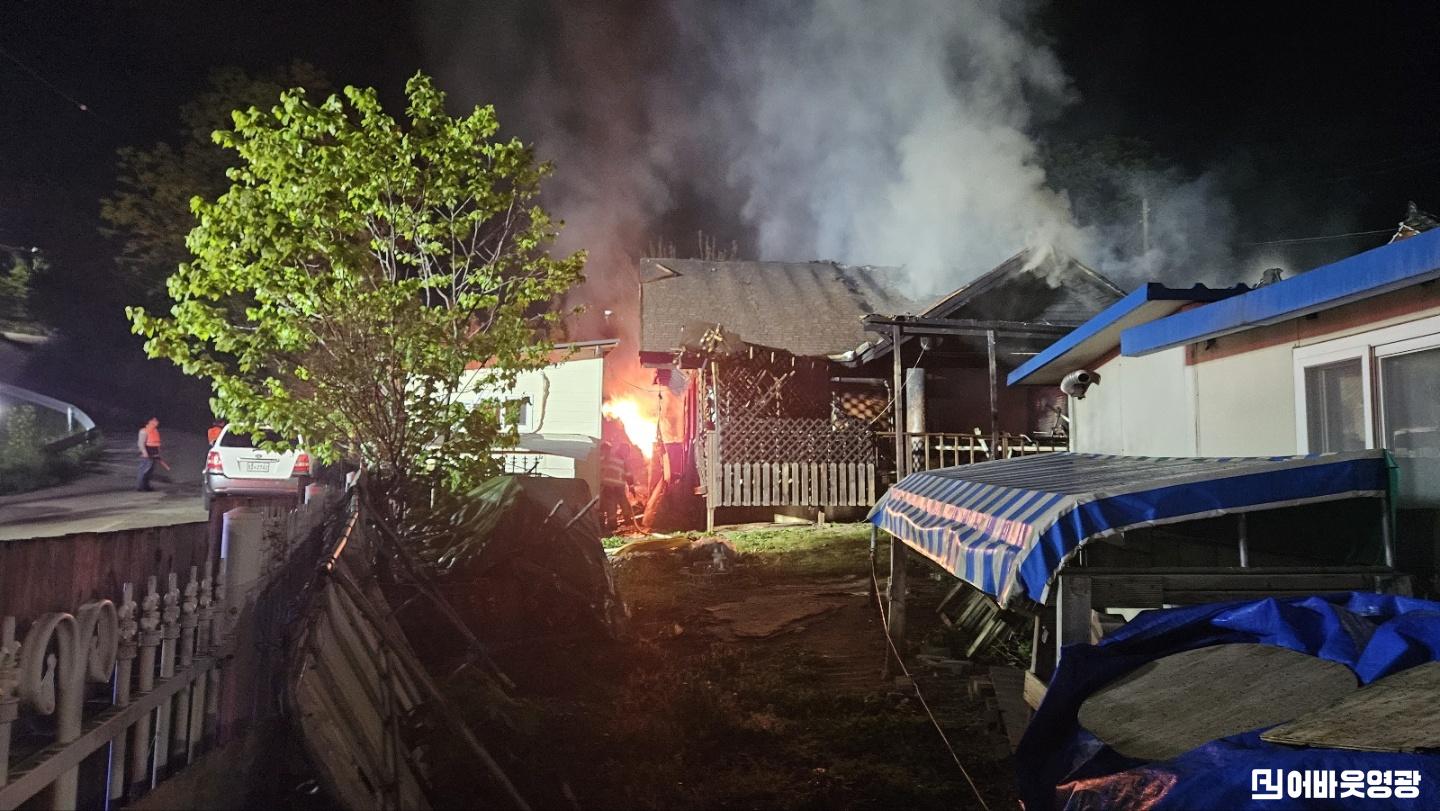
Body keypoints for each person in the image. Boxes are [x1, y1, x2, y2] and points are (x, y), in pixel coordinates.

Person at [598, 441, 634, 533]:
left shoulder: (609, 456)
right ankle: (627, 520)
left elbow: (601, 467)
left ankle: (613, 523)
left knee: (611, 504)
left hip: (608, 484)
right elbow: (628, 474)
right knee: (622, 502)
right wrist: (631, 485)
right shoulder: (623, 460)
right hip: (617, 485)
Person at [136, 417, 163, 492]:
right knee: (144, 470)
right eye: (154, 420)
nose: (156, 422)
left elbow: (156, 443)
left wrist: (158, 453)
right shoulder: (143, 431)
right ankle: (141, 487)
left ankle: (146, 486)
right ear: (149, 421)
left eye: (156, 420)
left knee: (149, 471)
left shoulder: (155, 430)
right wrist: (144, 452)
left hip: (154, 454)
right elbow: (141, 443)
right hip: (146, 454)